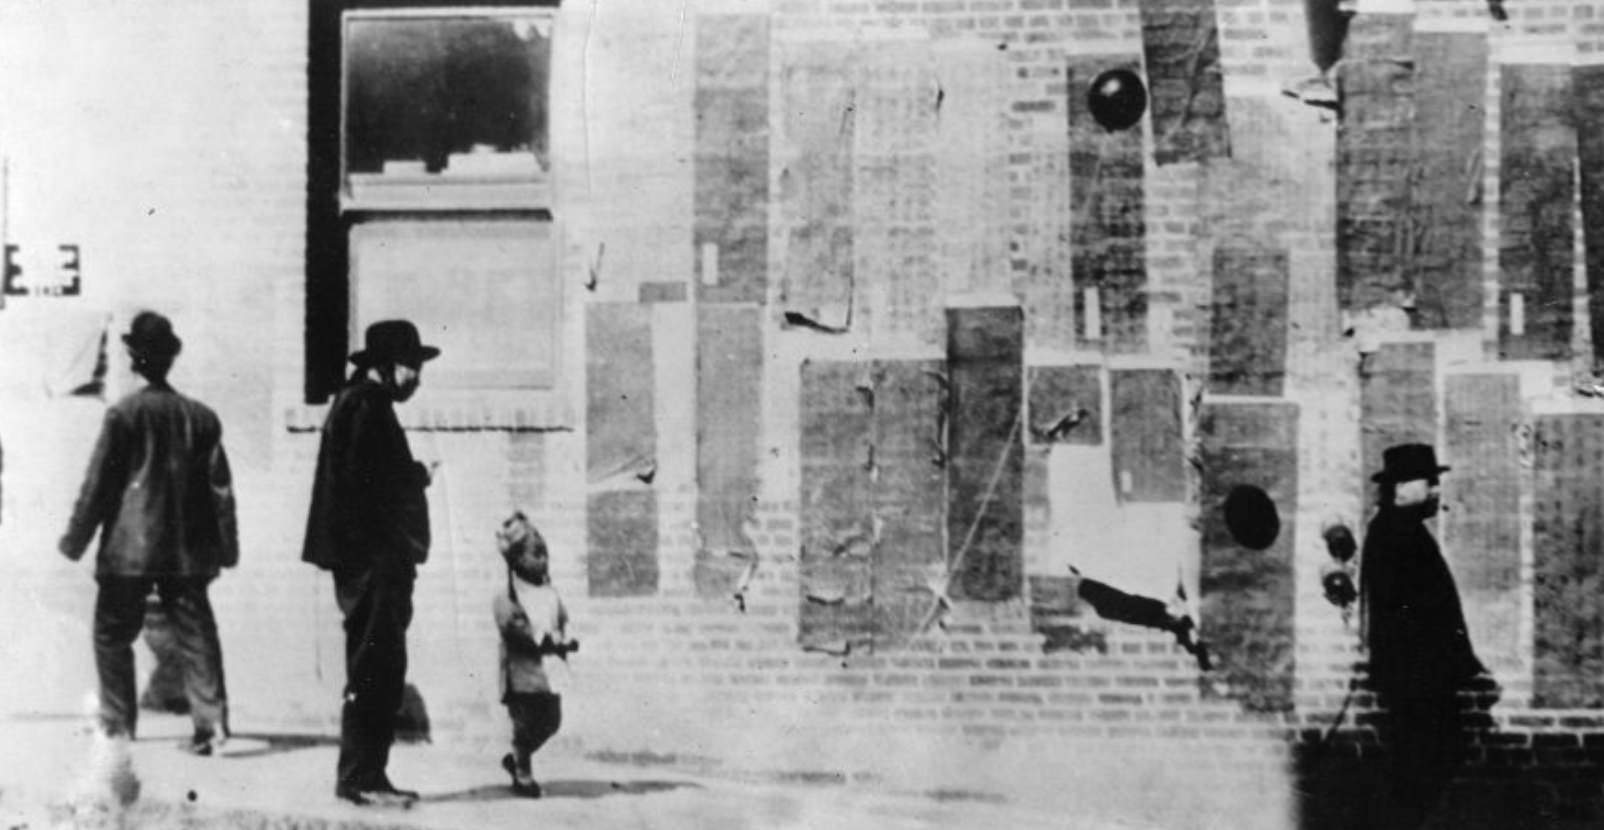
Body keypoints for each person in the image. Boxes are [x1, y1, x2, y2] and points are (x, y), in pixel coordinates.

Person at [58, 310, 237, 755]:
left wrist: (75, 540)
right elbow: (221, 492)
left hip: (129, 551)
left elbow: (98, 485)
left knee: (111, 634)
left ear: (136, 360)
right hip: (187, 549)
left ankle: (117, 726)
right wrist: (227, 548)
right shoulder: (202, 417)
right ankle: (212, 728)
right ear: (169, 360)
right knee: (197, 636)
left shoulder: (124, 415)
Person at [302, 319, 438, 807]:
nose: (417, 377)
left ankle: (366, 775)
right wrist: (414, 478)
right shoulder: (367, 406)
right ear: (388, 366)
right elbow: (367, 488)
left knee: (377, 665)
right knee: (375, 667)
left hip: (370, 562)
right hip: (373, 563)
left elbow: (368, 478)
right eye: (412, 367)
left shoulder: (358, 402)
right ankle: (361, 778)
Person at [1360, 443, 1492, 829]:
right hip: (1416, 677)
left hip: (1421, 675)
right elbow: (1407, 615)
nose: (1436, 490)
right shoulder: (1394, 533)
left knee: (1423, 764)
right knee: (1420, 766)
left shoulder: (1404, 530)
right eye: (1429, 482)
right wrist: (1440, 668)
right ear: (1401, 486)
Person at [491, 511, 575, 798]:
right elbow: (513, 627)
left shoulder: (549, 593)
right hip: (523, 672)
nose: (542, 561)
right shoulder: (508, 596)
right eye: (535, 555)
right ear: (516, 559)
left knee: (552, 720)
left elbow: (562, 618)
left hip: (549, 670)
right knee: (525, 723)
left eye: (545, 555)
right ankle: (523, 773)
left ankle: (517, 759)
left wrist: (566, 635)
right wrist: (540, 639)